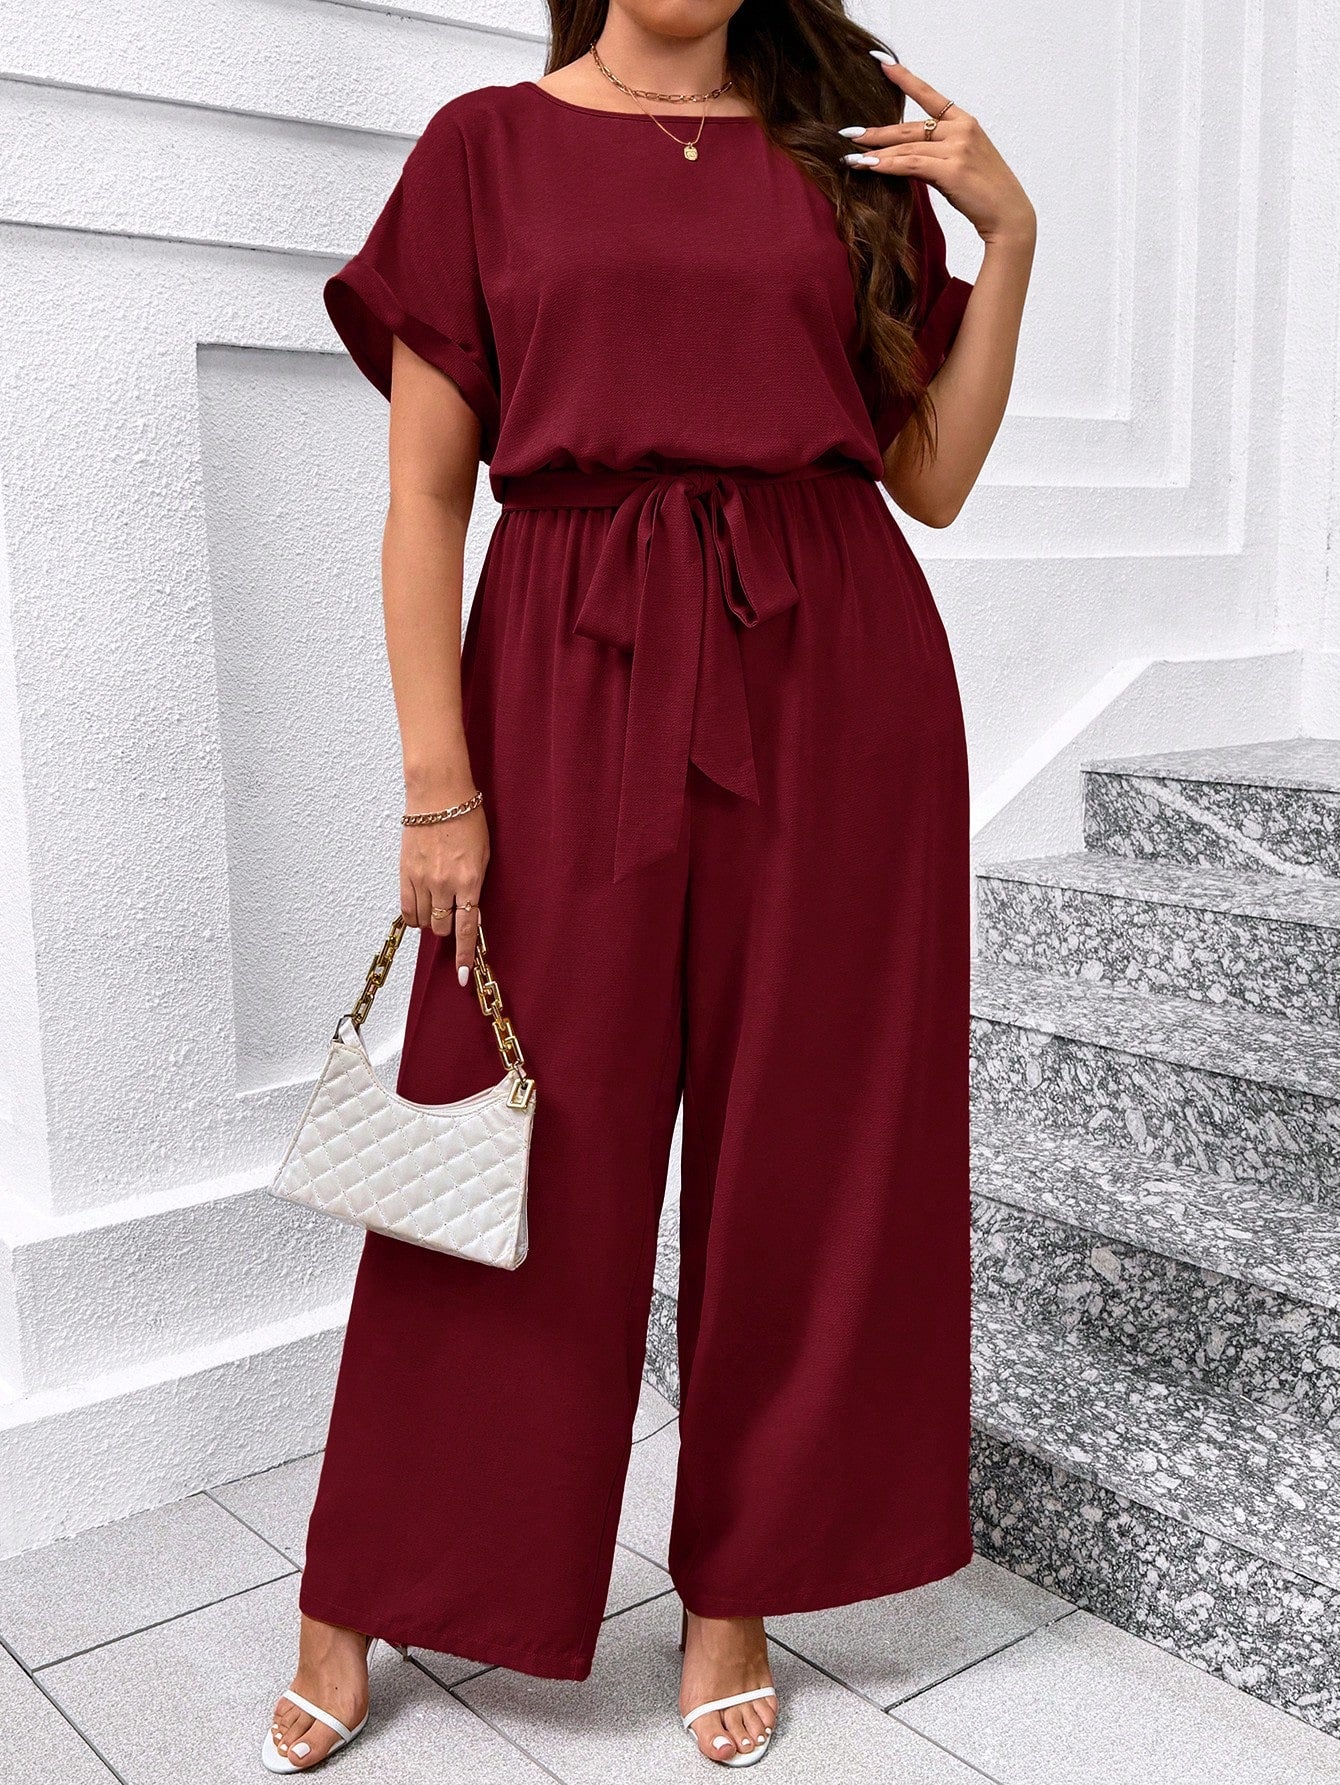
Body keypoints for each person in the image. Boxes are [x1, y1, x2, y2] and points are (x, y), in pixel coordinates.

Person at [262, 0, 1034, 1771]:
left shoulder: (839, 156)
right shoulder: (485, 148)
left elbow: (932, 478)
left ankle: (737, 1585)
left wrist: (1008, 238)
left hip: (835, 675)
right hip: (567, 672)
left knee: (807, 1151)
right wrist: (439, 785)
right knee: (512, 1144)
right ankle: (364, 1576)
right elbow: (424, 498)